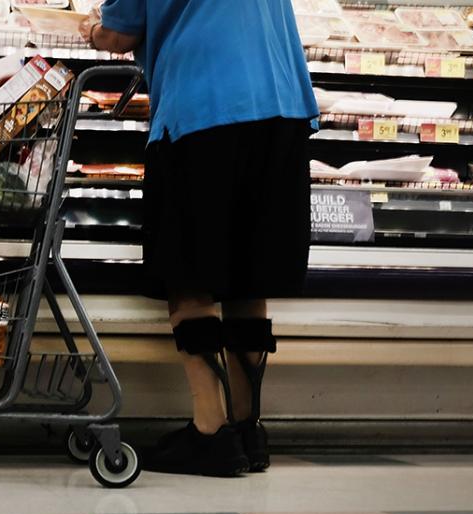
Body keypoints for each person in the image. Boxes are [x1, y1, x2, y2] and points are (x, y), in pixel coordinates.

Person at [79, 1, 318, 477]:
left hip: (204, 105)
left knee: (189, 274)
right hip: (283, 106)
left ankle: (211, 432)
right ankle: (248, 429)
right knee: (249, 276)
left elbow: (119, 34)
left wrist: (89, 28)